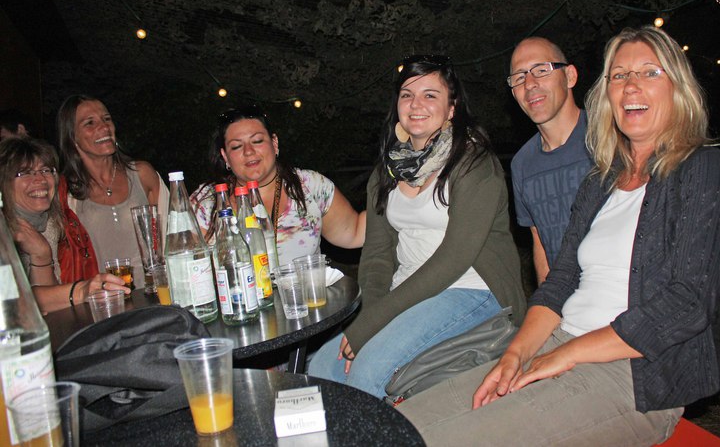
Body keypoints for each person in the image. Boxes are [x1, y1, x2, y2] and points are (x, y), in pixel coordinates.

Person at [397, 27, 720, 446]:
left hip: (635, 375)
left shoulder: (704, 170)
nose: (631, 85)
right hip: (560, 341)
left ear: (678, 87)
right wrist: (516, 354)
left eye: (649, 72)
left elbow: (687, 304)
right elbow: (561, 280)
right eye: (619, 75)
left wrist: (565, 355)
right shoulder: (601, 181)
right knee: (401, 423)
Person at [307, 55, 526, 398]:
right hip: (407, 291)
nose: (416, 104)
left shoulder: (473, 163)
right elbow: (377, 256)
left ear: (451, 108)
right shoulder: (388, 170)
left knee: (369, 372)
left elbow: (454, 258)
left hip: (471, 289)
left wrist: (373, 323)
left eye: (430, 95)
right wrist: (369, 315)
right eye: (407, 95)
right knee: (322, 367)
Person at [191, 104, 366, 262]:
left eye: (257, 141)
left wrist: (384, 188)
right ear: (225, 156)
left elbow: (355, 231)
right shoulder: (206, 203)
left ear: (274, 143)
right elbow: (186, 263)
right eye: (236, 146)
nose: (249, 151)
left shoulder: (309, 185)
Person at [0, 137, 128, 313]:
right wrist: (82, 290)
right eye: (25, 173)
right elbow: (12, 302)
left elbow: (49, 309)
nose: (40, 179)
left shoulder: (51, 226)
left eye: (46, 170)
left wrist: (41, 255)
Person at [57, 95, 167, 289]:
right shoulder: (67, 194)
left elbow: (174, 234)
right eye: (90, 123)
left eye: (106, 119)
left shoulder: (142, 174)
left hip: (156, 294)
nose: (104, 127)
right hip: (104, 300)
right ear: (72, 137)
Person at [508, 37, 592, 287]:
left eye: (541, 70)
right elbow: (540, 243)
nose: (530, 84)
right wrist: (546, 302)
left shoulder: (609, 137)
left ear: (570, 76)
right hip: (564, 299)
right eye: (519, 77)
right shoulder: (522, 164)